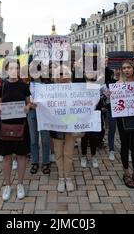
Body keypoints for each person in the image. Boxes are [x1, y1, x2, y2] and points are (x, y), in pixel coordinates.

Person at [0, 60, 31, 201]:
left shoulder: (24, 86)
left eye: (16, 68)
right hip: (6, 126)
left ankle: (20, 184)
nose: (14, 70)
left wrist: (28, 107)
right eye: (11, 68)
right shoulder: (2, 86)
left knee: (21, 156)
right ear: (6, 70)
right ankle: (8, 185)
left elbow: (29, 103)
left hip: (21, 125)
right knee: (6, 157)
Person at [116, 60, 134, 188]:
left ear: (133, 69)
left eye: (129, 67)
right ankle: (126, 173)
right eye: (124, 68)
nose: (126, 70)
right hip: (123, 119)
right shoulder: (118, 84)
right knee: (125, 145)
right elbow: (112, 101)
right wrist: (110, 94)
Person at [48, 65, 78, 193]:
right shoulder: (49, 90)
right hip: (56, 125)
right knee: (58, 153)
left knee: (69, 153)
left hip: (70, 124)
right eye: (59, 74)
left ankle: (68, 177)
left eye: (64, 74)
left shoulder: (76, 89)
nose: (62, 77)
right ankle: (61, 177)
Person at [27, 61, 51, 175]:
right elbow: (24, 100)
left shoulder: (47, 84)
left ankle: (46, 162)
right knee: (33, 139)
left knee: (45, 139)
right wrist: (29, 105)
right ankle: (35, 162)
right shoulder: (27, 84)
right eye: (31, 70)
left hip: (44, 113)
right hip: (32, 112)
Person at [80, 71, 102, 169]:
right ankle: (83, 156)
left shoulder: (99, 86)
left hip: (94, 114)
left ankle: (93, 156)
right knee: (84, 136)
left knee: (94, 137)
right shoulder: (80, 86)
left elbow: (104, 97)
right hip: (83, 114)